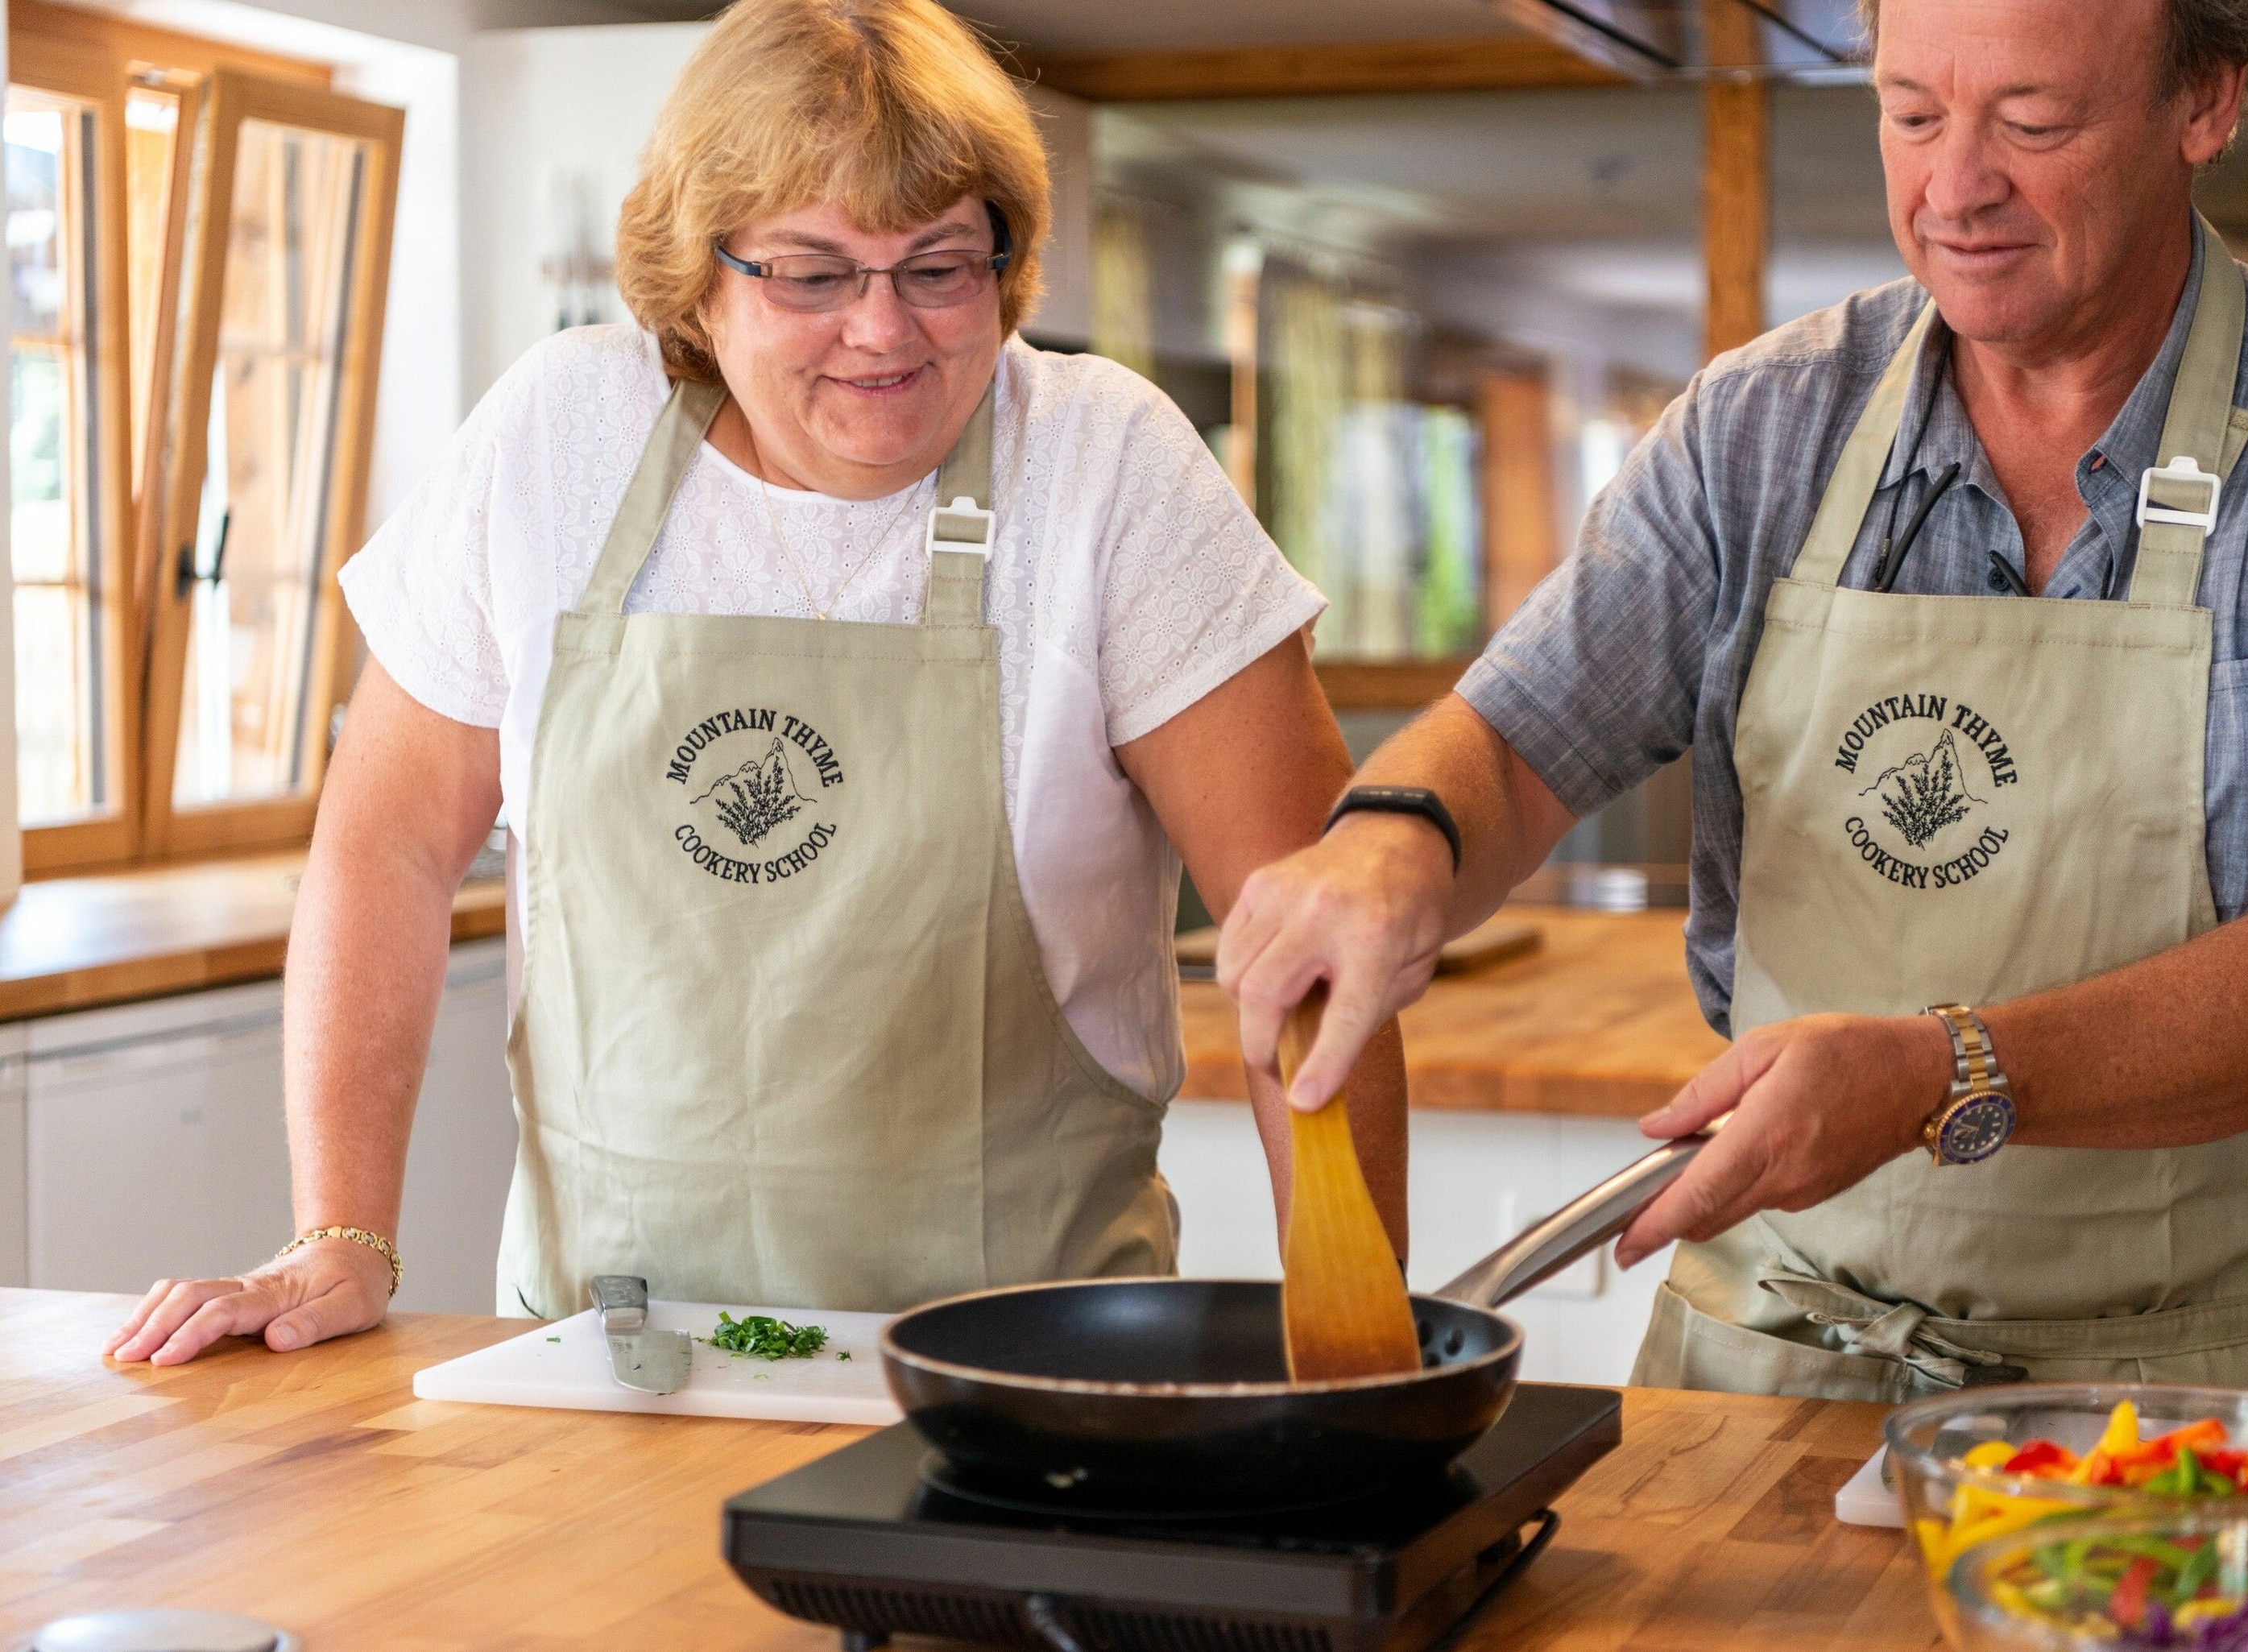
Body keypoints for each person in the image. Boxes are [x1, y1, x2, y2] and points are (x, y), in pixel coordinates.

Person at [109, 0, 1407, 1366]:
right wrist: (341, 1235)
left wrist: (1355, 1323)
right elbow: (385, 845)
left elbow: (1318, 941)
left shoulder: (1105, 469)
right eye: (811, 274)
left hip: (1017, 1385)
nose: (883, 329)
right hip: (603, 1371)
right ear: (698, 279)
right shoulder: (561, 438)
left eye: (941, 266)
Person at [1219, 0, 2248, 1399]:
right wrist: (1392, 844)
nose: (1955, 189)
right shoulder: (1764, 425)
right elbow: (1517, 746)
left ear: (2207, 105)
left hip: (2174, 1403)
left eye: (2033, 120)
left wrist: (1942, 1075)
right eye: (1912, 113)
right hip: (1764, 1365)